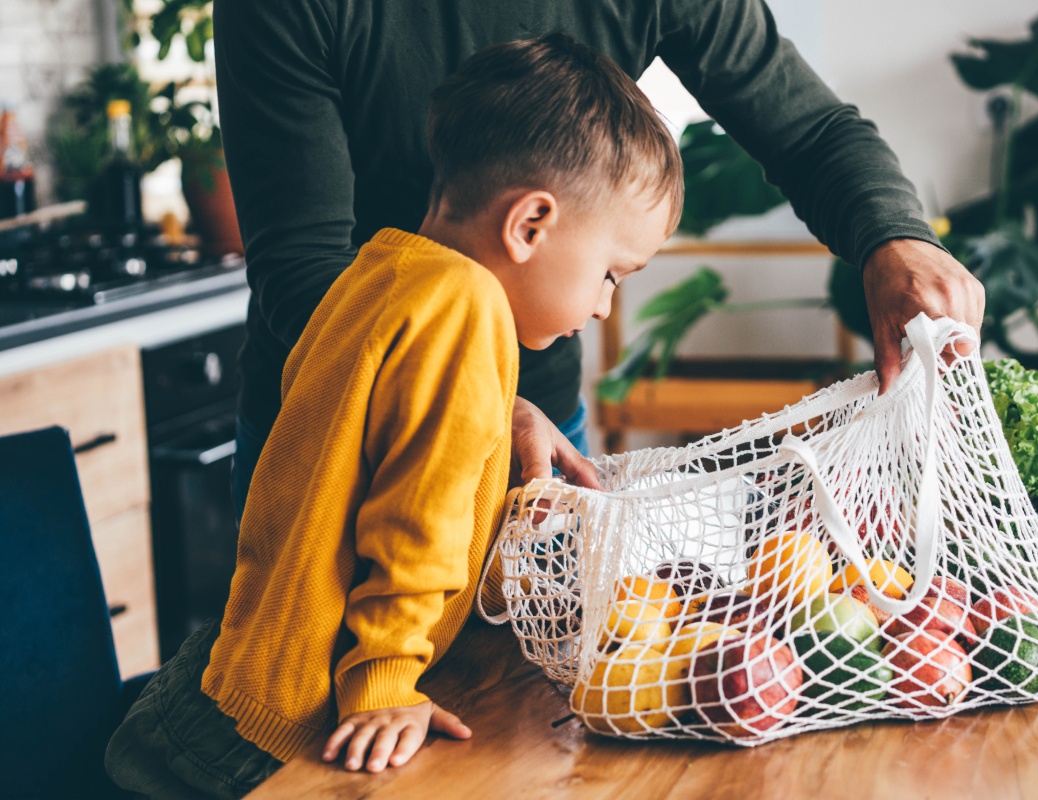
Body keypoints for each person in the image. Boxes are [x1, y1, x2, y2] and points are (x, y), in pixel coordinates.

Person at [105, 34, 684, 797]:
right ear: (530, 225)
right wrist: (384, 682)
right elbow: (413, 524)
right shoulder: (468, 314)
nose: (605, 304)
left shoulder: (382, 269)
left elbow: (377, 480)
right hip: (284, 726)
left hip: (232, 673)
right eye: (610, 273)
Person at [214, 0, 985, 521]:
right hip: (334, 429)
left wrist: (898, 239)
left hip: (538, 424)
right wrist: (465, 399)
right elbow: (304, 266)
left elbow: (810, 131)